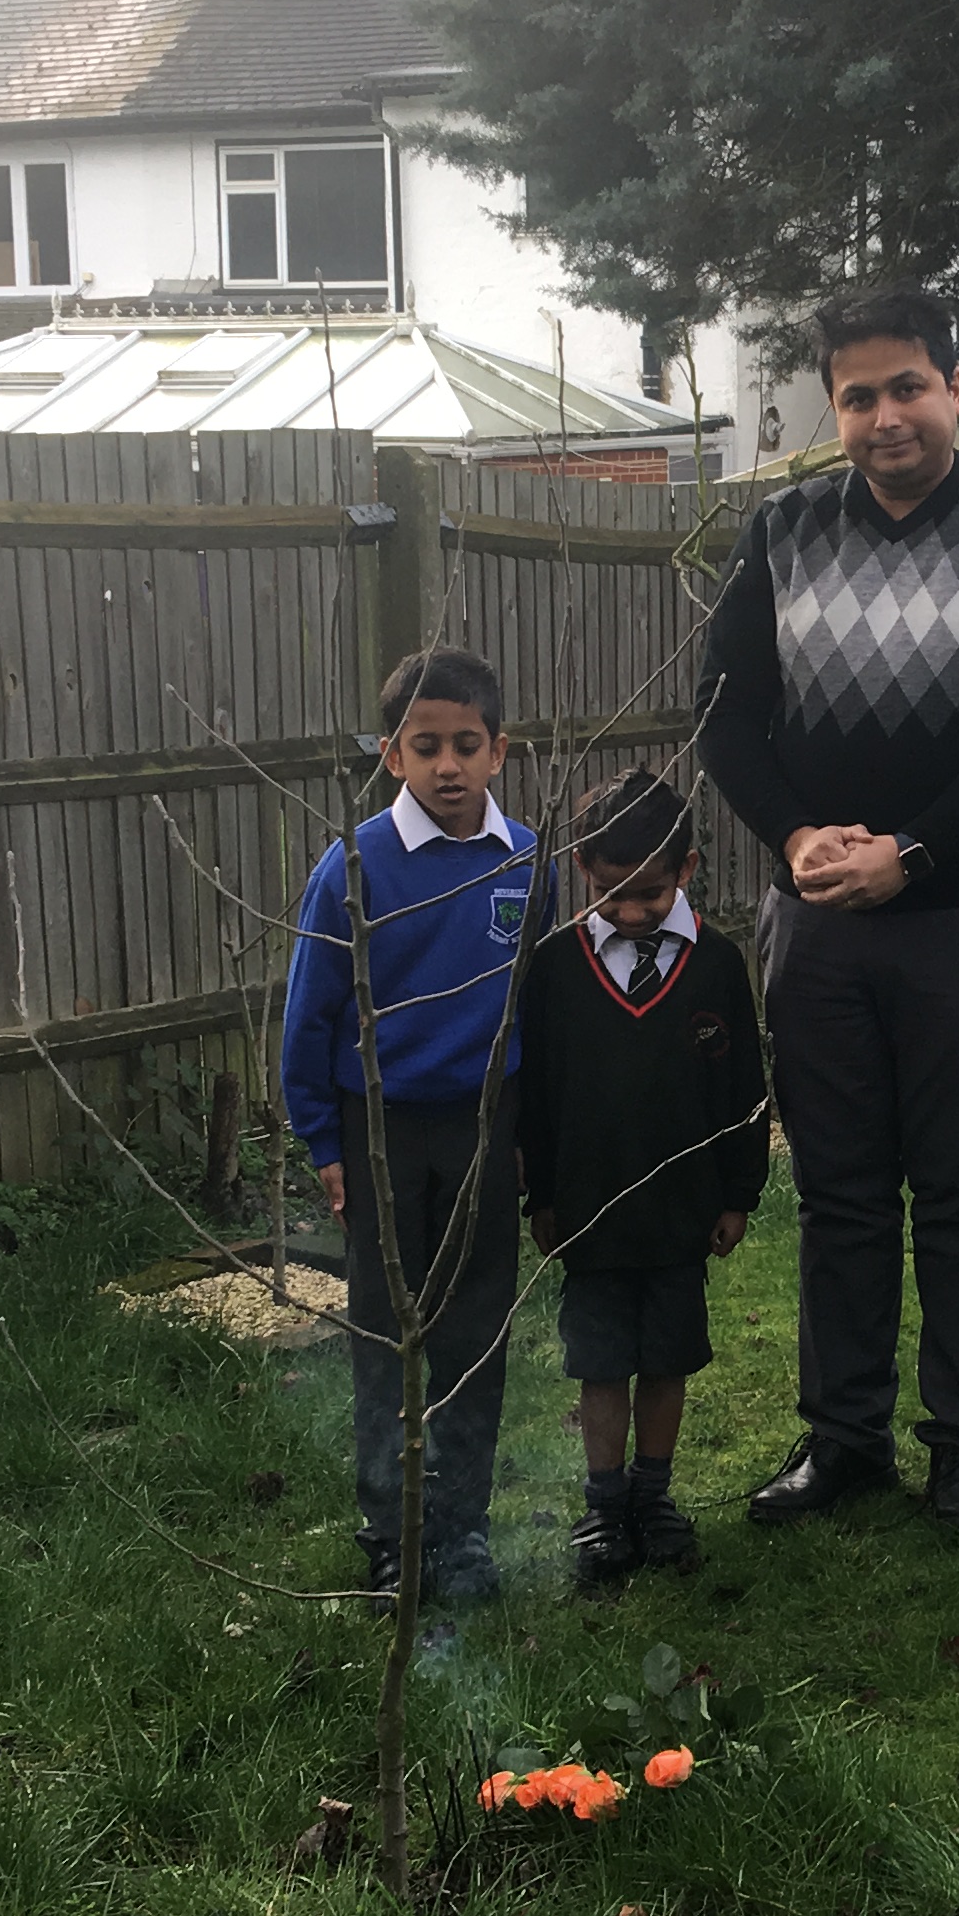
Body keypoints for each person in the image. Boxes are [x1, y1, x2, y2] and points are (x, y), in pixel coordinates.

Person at [694, 284, 959, 1531]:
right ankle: (844, 1438)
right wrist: (800, 835)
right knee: (839, 1192)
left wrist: (913, 854)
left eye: (907, 387)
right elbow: (724, 713)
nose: (885, 417)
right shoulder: (782, 533)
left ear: (956, 385)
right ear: (834, 404)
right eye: (859, 395)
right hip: (816, 923)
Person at [282, 645, 545, 1608]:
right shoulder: (353, 866)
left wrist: (529, 1135)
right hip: (380, 1130)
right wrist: (324, 1142)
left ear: (498, 751)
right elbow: (310, 1014)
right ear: (392, 755)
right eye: (424, 746)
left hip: (484, 1125)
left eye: (465, 745)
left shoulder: (526, 862)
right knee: (390, 1334)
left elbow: (537, 1012)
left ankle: (464, 1529)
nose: (447, 766)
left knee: (474, 1329)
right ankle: (393, 1533)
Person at [516, 769, 771, 1583]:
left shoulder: (719, 966)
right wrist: (543, 1194)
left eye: (650, 895)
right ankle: (603, 1504)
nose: (629, 912)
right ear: (581, 867)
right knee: (600, 1362)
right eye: (608, 892)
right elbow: (537, 1093)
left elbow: (744, 1092)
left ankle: (654, 1497)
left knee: (667, 1358)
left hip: (682, 1214)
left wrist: (739, 1194)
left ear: (687, 871)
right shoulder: (555, 969)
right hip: (589, 1214)